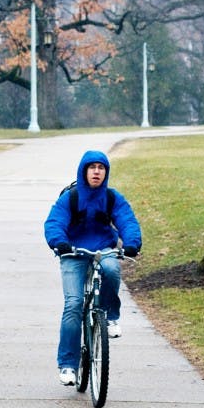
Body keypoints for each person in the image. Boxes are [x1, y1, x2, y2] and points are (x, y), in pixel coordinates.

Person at [43, 150, 142, 386]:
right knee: (74, 304)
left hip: (103, 249)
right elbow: (54, 222)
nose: (97, 171)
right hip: (73, 252)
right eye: (92, 167)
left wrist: (131, 244)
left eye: (101, 167)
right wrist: (60, 242)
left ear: (106, 172)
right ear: (84, 171)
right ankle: (68, 365)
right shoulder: (71, 198)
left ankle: (109, 316)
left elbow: (127, 220)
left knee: (111, 269)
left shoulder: (111, 197)